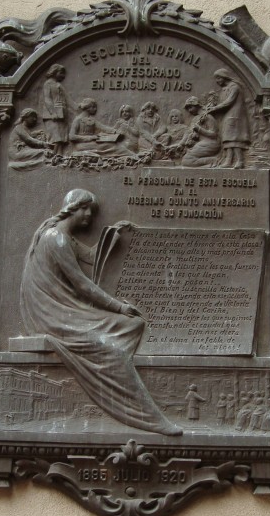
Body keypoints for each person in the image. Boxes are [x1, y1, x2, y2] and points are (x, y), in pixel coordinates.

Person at [20, 189, 182, 436]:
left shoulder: (66, 238)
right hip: (55, 314)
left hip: (66, 310)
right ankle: (144, 413)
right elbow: (83, 285)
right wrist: (119, 306)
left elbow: (91, 256)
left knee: (134, 325)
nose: (89, 216)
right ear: (72, 208)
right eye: (86, 209)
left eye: (92, 211)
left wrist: (113, 233)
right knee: (115, 344)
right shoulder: (56, 238)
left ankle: (117, 362)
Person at [207, 68, 250, 168]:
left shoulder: (234, 87)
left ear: (223, 77)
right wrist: (212, 105)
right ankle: (229, 161)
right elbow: (222, 102)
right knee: (227, 138)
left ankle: (240, 161)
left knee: (235, 138)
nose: (217, 82)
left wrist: (214, 108)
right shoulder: (225, 89)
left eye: (218, 79)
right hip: (228, 116)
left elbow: (228, 102)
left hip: (235, 116)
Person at [181, 96, 221, 167]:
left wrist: (199, 129)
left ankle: (213, 161)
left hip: (211, 143)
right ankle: (208, 163)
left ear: (197, 106)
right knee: (185, 160)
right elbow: (192, 135)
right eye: (187, 109)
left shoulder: (207, 117)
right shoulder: (195, 119)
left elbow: (214, 134)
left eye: (190, 107)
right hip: (201, 143)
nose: (189, 111)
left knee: (186, 160)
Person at [42, 63, 69, 154]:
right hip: (52, 116)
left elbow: (68, 99)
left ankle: (60, 156)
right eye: (61, 73)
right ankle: (51, 156)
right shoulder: (48, 83)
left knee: (61, 138)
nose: (63, 76)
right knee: (55, 138)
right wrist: (52, 113)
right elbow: (47, 99)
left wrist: (79, 107)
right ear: (54, 72)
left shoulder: (59, 85)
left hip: (62, 114)